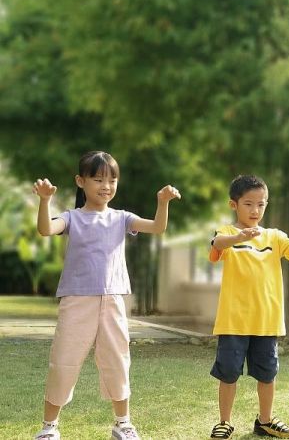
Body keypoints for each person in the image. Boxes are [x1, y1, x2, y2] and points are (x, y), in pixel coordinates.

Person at [32, 151, 181, 440]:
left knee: (117, 359)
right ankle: (49, 428)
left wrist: (162, 203)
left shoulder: (122, 218)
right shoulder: (71, 218)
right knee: (64, 360)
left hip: (113, 300)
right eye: (98, 179)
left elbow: (157, 227)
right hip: (76, 301)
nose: (106, 186)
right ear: (80, 181)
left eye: (112, 180)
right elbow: (45, 229)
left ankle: (122, 424)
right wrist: (44, 200)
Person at [208, 175, 289, 439]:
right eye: (249, 204)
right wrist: (239, 236)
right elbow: (216, 246)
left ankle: (265, 420)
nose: (255, 210)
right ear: (234, 204)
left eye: (261, 204)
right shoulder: (226, 233)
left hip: (266, 321)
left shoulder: (274, 236)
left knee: (268, 374)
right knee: (228, 374)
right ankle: (224, 422)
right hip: (233, 320)